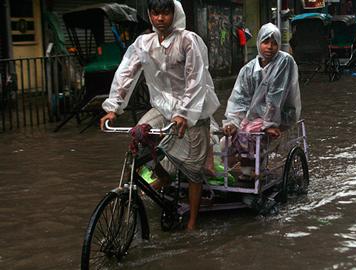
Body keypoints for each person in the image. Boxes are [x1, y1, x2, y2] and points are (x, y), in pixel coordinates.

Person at [99, 0, 220, 230]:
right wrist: (112, 108)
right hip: (162, 108)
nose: (160, 18)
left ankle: (192, 220)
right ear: (150, 15)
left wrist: (184, 113)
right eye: (155, 13)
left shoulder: (188, 40)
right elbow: (126, 73)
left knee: (194, 170)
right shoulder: (143, 43)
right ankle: (162, 174)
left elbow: (196, 79)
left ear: (174, 14)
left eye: (165, 13)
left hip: (193, 109)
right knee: (139, 136)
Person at [222, 23, 301, 155]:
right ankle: (241, 168)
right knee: (227, 142)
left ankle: (249, 170)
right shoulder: (248, 69)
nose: (270, 47)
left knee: (249, 136)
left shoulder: (284, 62)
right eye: (266, 42)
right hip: (254, 116)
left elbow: (276, 96)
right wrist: (233, 122)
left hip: (280, 114)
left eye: (274, 43)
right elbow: (240, 98)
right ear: (259, 42)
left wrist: (269, 124)